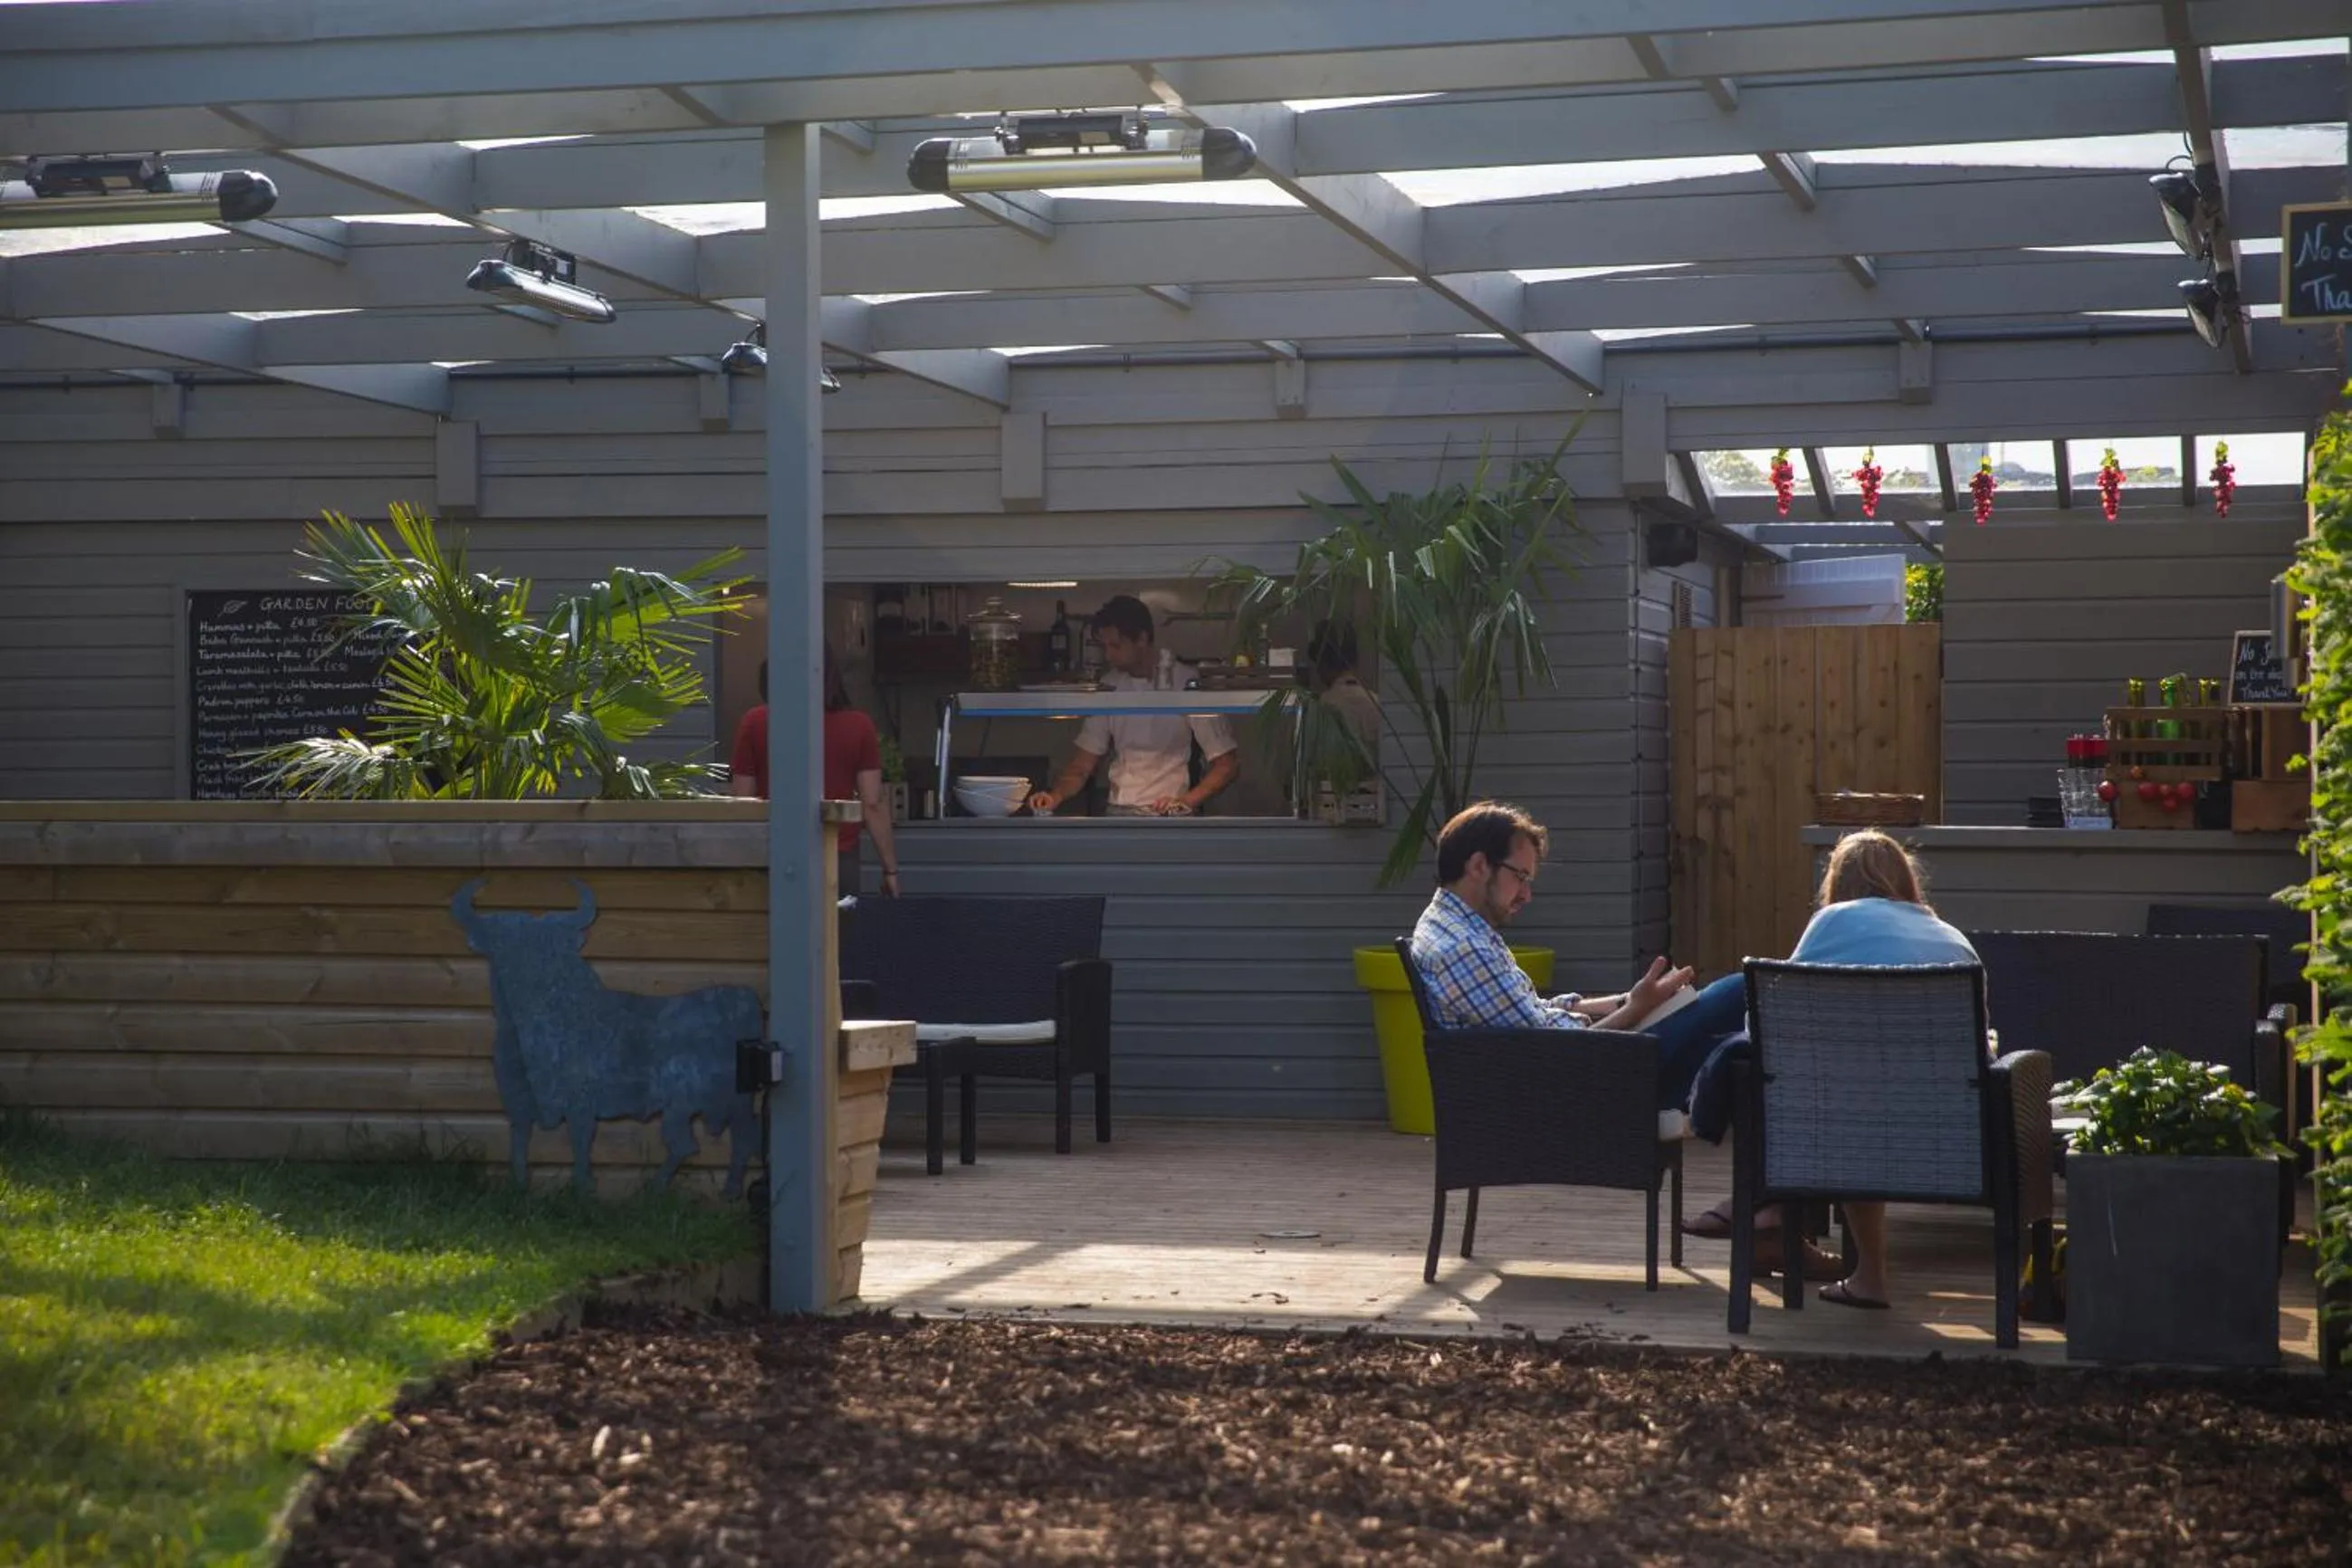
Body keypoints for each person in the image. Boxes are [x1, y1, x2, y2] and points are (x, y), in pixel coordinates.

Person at [1408, 799, 1847, 1284]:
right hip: (1581, 1093)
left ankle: (1770, 1214)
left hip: (1569, 1077)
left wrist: (1632, 998)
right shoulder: (1462, 947)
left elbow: (1538, 1015)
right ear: (1478, 865)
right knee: (1750, 994)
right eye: (1521, 877)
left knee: (1746, 1041)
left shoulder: (1456, 929)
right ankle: (1773, 1211)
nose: (1526, 895)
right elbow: (1551, 1050)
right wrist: (1637, 1011)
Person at [1678, 828, 1978, 1310]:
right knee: (1869, 1097)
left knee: (1815, 1089)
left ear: (1837, 885)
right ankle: (1776, 1221)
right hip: (1947, 1137)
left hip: (1840, 1131)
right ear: (1906, 881)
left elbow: (1766, 1026)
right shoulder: (1952, 940)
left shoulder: (1829, 925)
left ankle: (1845, 1260)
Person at [1028, 595, 1241, 817]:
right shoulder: (1110, 686)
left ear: (1142, 639)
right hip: (1117, 812)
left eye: (1116, 646)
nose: (1108, 655)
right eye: (1105, 646)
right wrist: (1055, 796)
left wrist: (1184, 802)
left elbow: (1226, 766)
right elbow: (1082, 766)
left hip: (1169, 816)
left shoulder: (1187, 682)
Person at [730, 648, 902, 897]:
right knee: (837, 933)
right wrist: (890, 871)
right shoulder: (859, 726)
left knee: (776, 935)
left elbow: (742, 800)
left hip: (775, 856)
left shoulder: (756, 722)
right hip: (838, 858)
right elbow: (872, 803)